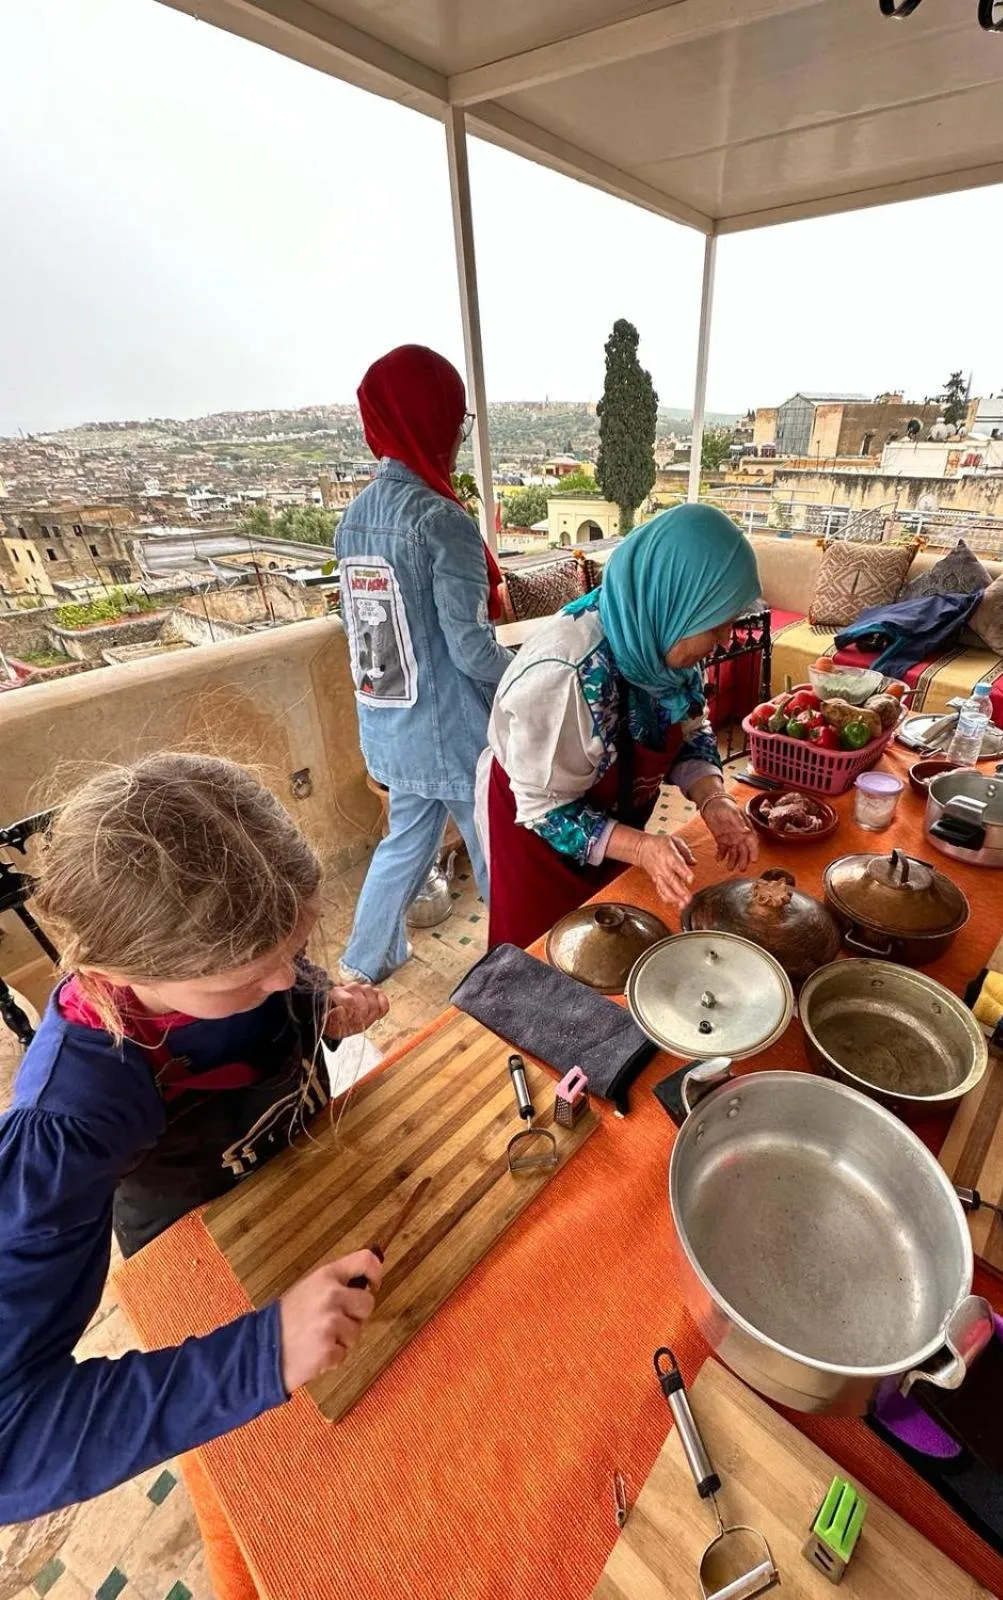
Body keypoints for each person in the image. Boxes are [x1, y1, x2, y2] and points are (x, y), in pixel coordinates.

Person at [0, 753, 391, 1523]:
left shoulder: (239, 935)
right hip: (197, 1238)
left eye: (296, 949)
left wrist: (318, 1002)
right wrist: (258, 1357)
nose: (283, 980)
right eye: (247, 979)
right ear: (123, 966)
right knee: (300, 1478)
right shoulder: (67, 1124)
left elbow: (272, 977)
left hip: (299, 1173)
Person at [479, 503, 761, 951]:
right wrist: (643, 848)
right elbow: (544, 809)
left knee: (610, 946)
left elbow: (690, 730)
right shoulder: (564, 676)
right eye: (718, 624)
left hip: (614, 821)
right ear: (676, 602)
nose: (726, 640)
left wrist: (714, 799)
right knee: (545, 963)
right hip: (539, 846)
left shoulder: (665, 644)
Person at [337, 344, 512, 983]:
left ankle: (364, 961)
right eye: (458, 420)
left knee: (404, 845)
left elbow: (358, 629)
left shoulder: (354, 517)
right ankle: (514, 963)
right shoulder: (442, 520)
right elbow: (470, 647)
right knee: (497, 850)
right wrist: (523, 670)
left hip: (388, 719)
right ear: (434, 420)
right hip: (453, 733)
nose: (459, 435)